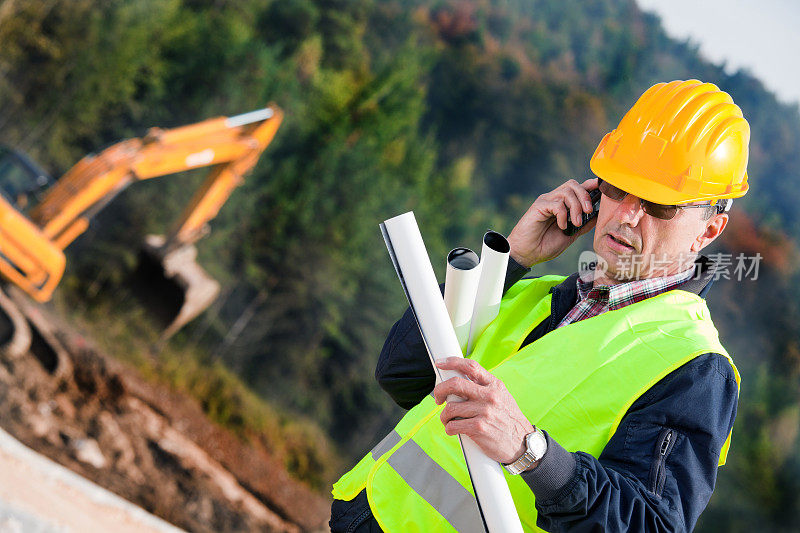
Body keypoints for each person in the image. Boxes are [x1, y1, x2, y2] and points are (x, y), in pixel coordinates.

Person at [330, 79, 749, 532]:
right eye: (617, 188)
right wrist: (512, 257)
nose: (626, 214)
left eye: (659, 206)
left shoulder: (694, 368)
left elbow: (650, 524)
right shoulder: (540, 295)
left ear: (709, 231)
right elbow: (400, 373)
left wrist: (530, 452)